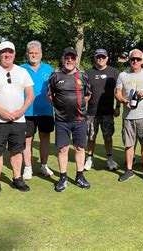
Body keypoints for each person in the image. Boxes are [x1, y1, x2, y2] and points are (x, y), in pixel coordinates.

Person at [0, 41, 34, 198]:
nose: (7, 55)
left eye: (10, 52)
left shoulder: (22, 72)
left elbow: (30, 94)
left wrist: (22, 110)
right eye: (4, 52)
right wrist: (1, 111)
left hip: (18, 119)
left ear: (15, 54)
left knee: (16, 151)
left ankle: (17, 179)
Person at [48, 47, 92, 192]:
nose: (70, 60)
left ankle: (80, 176)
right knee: (63, 149)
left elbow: (88, 95)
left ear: (76, 60)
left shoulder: (83, 76)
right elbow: (50, 96)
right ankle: (63, 178)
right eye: (67, 57)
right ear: (63, 58)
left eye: (73, 58)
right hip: (61, 120)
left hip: (79, 119)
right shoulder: (55, 76)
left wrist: (77, 105)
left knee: (79, 148)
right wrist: (61, 107)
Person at [115, 49, 143, 182]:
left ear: (142, 61)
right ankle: (129, 170)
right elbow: (117, 93)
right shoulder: (123, 75)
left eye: (138, 59)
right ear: (129, 60)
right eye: (132, 59)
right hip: (128, 116)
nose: (135, 61)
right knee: (129, 145)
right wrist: (124, 100)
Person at [20, 41, 55, 180]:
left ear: (41, 54)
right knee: (27, 140)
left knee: (45, 139)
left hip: (46, 111)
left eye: (36, 53)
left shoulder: (48, 68)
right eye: (31, 53)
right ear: (27, 54)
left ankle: (44, 165)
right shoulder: (21, 69)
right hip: (27, 111)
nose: (34, 55)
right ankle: (28, 168)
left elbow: (54, 89)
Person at [84, 48, 120, 171]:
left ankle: (109, 159)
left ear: (107, 58)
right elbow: (84, 93)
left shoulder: (114, 72)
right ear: (95, 58)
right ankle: (89, 159)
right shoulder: (87, 73)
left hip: (108, 112)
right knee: (91, 137)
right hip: (91, 112)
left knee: (108, 137)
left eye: (103, 57)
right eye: (98, 57)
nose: (101, 59)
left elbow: (119, 91)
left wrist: (118, 106)